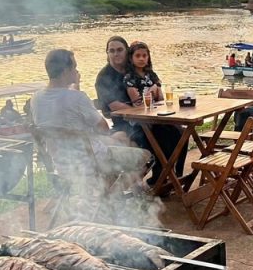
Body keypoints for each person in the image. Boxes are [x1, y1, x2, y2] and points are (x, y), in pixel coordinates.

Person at [31, 49, 149, 188]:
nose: (76, 70)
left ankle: (103, 193)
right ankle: (109, 197)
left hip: (61, 165)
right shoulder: (78, 97)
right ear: (64, 71)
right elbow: (103, 128)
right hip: (90, 163)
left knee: (119, 139)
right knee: (145, 157)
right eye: (74, 67)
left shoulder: (36, 98)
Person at [95, 37, 187, 190]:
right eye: (112, 51)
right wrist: (145, 109)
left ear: (127, 52)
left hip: (148, 117)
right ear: (107, 53)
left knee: (180, 132)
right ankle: (160, 180)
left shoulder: (135, 70)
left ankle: (171, 178)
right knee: (163, 136)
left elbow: (157, 93)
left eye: (119, 50)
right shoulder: (105, 77)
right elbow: (116, 107)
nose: (116, 54)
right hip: (126, 123)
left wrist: (156, 88)